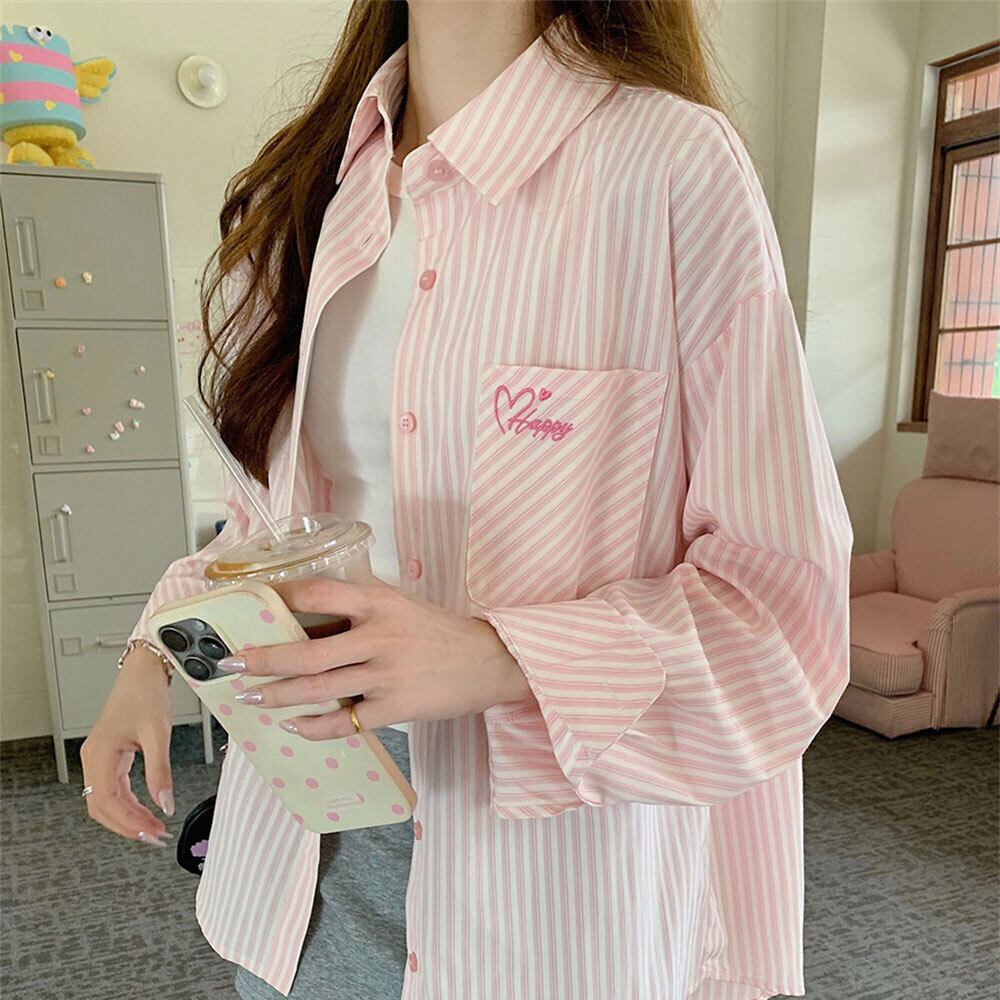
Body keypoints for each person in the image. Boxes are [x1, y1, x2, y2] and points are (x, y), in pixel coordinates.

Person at [81, 2, 853, 998]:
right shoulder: (311, 187)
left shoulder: (669, 165)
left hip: (549, 901)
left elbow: (783, 610)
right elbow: (267, 528)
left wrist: (497, 656)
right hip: (299, 859)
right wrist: (151, 651)